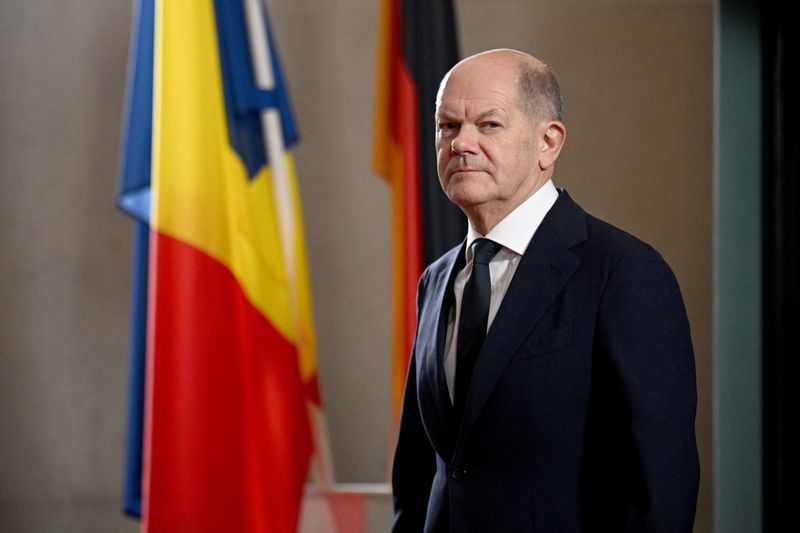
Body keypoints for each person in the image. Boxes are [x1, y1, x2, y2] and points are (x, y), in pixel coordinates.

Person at [391, 49, 700, 532]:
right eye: (447, 126)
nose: (460, 144)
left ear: (548, 143)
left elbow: (656, 488)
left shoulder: (623, 271)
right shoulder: (438, 279)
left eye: (488, 124)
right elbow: (420, 470)